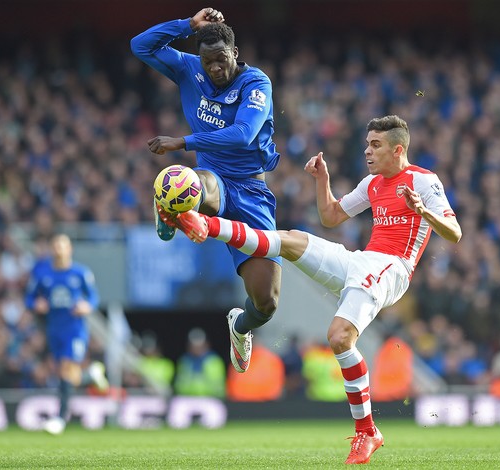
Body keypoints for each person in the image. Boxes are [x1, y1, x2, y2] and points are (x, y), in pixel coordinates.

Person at [172, 115, 462, 464]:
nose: (367, 150)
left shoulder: (423, 181)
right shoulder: (372, 183)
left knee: (339, 337)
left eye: (375, 145)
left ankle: (367, 431)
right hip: (363, 262)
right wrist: (322, 180)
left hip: (393, 268)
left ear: (398, 149)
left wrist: (423, 213)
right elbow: (331, 216)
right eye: (367, 143)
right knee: (291, 240)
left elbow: (454, 233)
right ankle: (206, 224)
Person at [131, 7, 282, 375]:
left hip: (253, 191)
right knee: (191, 181)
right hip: (213, 178)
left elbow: (243, 134)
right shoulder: (189, 68)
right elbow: (140, 46)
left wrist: (182, 140)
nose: (214, 68)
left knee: (267, 303)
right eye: (208, 60)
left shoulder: (256, 83)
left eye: (221, 60)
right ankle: (170, 207)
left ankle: (239, 326)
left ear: (235, 53)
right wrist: (188, 26)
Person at [25, 234, 109, 435]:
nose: (59, 250)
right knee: (65, 374)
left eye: (63, 246)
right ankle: (90, 375)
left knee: (65, 369)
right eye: (55, 246)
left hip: (74, 329)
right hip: (54, 328)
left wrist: (86, 306)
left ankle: (61, 418)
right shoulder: (43, 274)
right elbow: (29, 297)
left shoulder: (80, 273)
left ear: (69, 249)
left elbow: (93, 297)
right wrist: (36, 304)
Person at [174, 328, 226, 398]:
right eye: (193, 345)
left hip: (210, 398)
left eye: (199, 345)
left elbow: (218, 386)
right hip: (187, 398)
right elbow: (179, 385)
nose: (196, 348)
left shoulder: (214, 361)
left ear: (206, 344)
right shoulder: (184, 361)